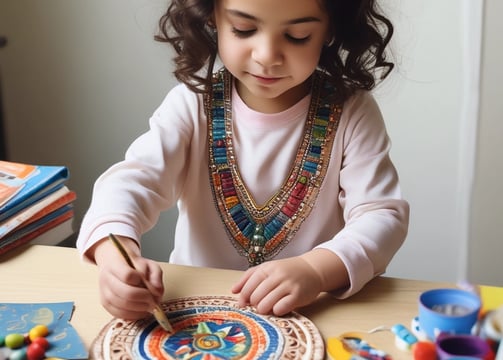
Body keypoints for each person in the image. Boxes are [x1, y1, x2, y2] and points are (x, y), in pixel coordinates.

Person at [77, 0, 409, 322]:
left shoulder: (353, 113)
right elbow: (130, 183)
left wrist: (315, 270)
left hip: (309, 314)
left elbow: (381, 216)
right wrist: (115, 257)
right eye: (243, 29)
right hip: (194, 315)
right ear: (212, 18)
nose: (266, 56)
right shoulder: (192, 105)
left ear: (331, 30)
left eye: (297, 37)